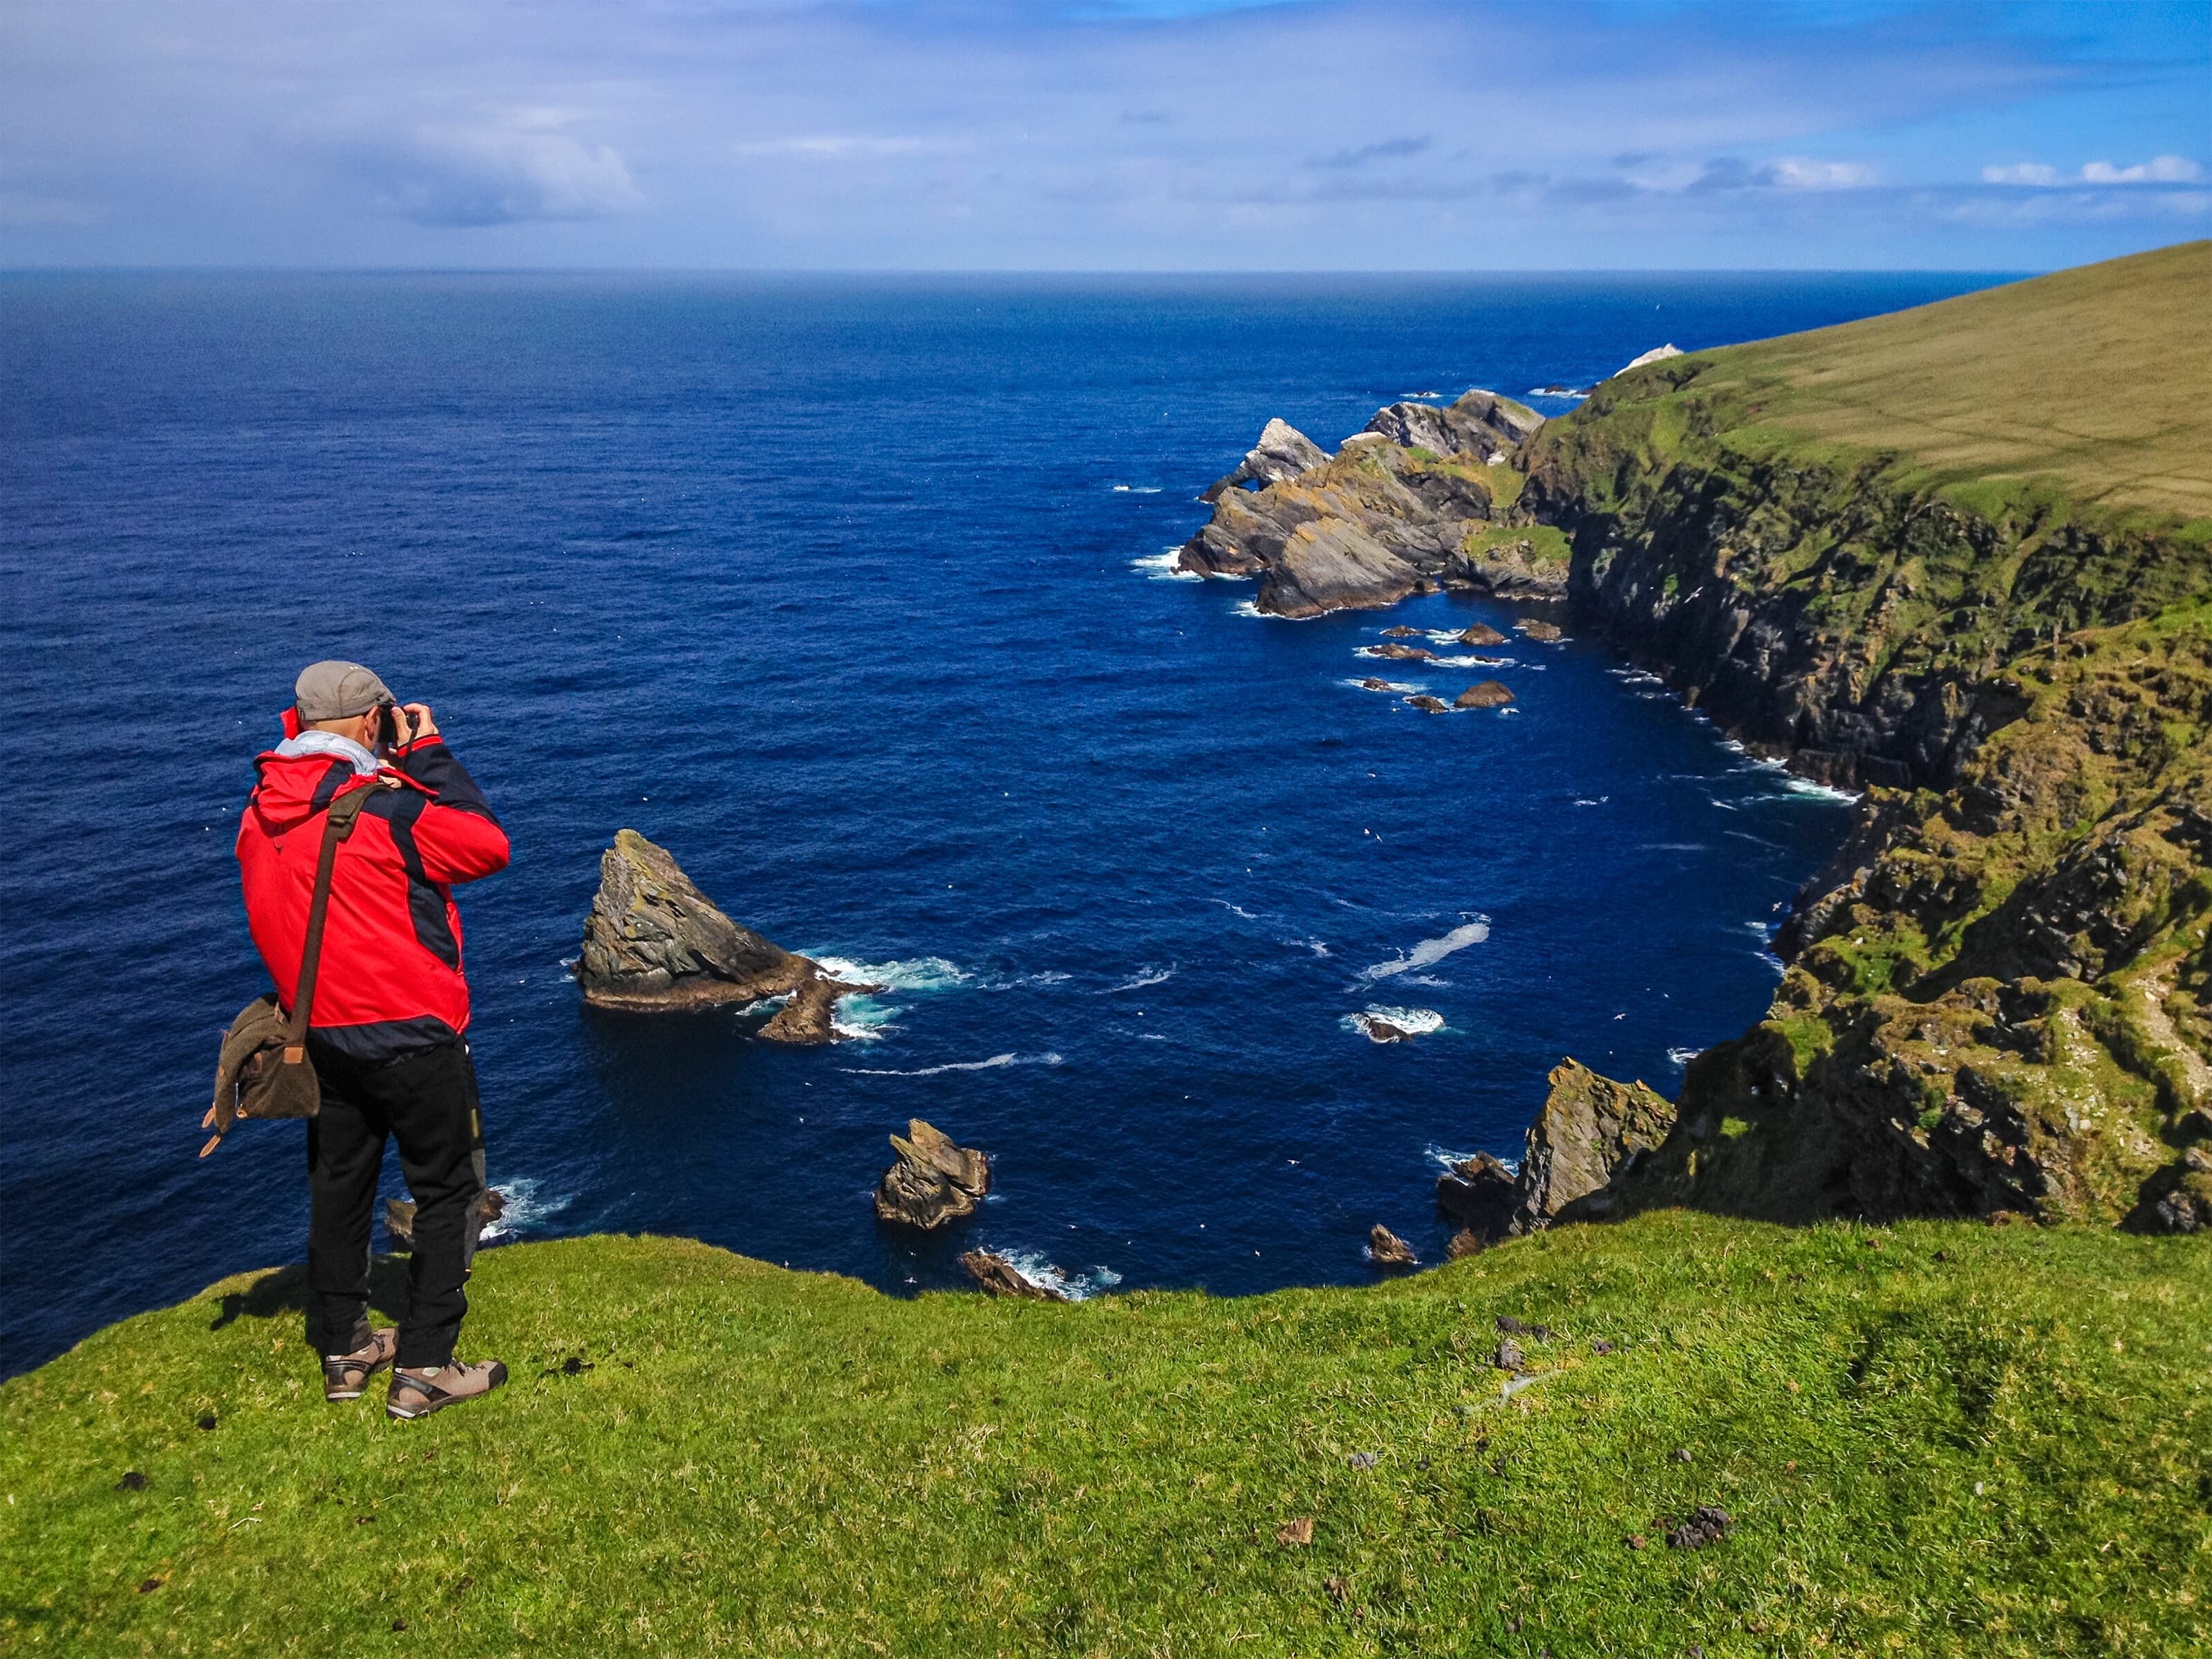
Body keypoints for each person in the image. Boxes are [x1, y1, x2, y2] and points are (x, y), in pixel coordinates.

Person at [236, 659, 512, 1419]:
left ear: (294, 724)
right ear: (372, 723)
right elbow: (486, 845)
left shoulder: (259, 813)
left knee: (340, 1188)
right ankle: (425, 1366)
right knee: (448, 1192)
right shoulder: (382, 812)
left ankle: (346, 1347)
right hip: (413, 1036)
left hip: (318, 1036)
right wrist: (427, 754)